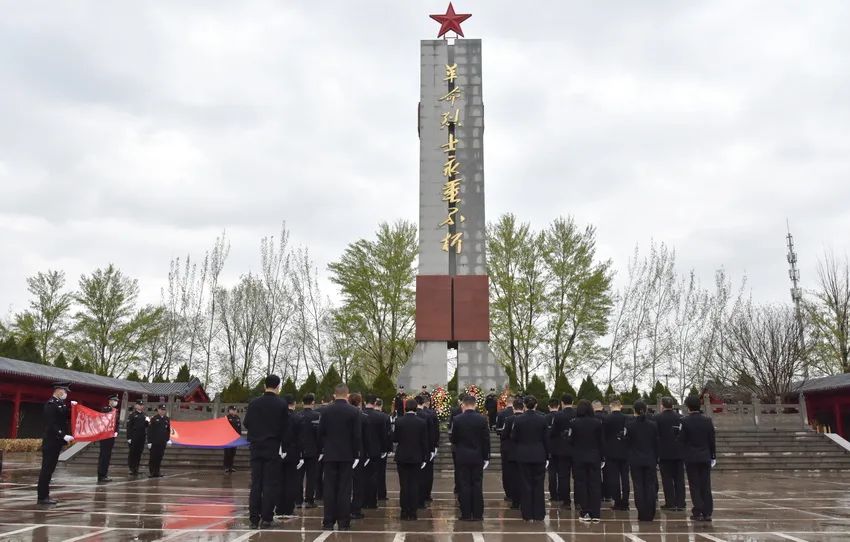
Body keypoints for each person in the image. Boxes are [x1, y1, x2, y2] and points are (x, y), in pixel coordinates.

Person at [244, 374, 288, 530]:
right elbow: (285, 427)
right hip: (272, 446)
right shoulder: (281, 404)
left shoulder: (254, 403)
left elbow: (247, 422)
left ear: (264, 386)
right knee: (270, 483)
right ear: (278, 387)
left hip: (256, 446)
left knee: (256, 483)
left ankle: (253, 518)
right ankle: (267, 518)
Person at [318, 383, 362, 531]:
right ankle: (343, 522)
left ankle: (328, 521)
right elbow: (357, 435)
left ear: (334, 394)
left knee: (329, 488)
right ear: (347, 395)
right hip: (346, 454)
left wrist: (323, 449)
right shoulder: (354, 411)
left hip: (330, 453)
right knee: (345, 488)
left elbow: (320, 432)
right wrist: (356, 453)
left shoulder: (326, 410)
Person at [451, 394, 489, 521]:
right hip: (477, 456)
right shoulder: (482, 419)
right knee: (477, 484)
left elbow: (454, 439)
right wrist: (486, 457)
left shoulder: (457, 419)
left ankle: (466, 513)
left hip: (462, 456)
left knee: (464, 484)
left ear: (463, 404)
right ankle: (477, 514)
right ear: (475, 404)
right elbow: (486, 440)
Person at [512, 395, 549, 521]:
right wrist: (547, 455)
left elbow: (514, 437)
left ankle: (527, 513)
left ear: (524, 405)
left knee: (525, 484)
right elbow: (546, 439)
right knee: (539, 485)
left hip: (523, 455)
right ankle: (539, 513)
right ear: (536, 405)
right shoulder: (542, 419)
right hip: (539, 454)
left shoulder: (518, 420)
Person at [680, 394, 716, 522]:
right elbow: (712, 440)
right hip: (705, 456)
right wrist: (713, 455)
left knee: (694, 485)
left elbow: (682, 440)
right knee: (706, 484)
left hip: (691, 457)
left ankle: (698, 510)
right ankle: (707, 512)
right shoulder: (707, 421)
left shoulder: (684, 421)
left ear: (688, 407)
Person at [37, 382, 74, 505]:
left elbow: (65, 418)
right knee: (46, 470)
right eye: (65, 391)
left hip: (57, 442)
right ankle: (42, 497)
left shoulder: (61, 404)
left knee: (50, 469)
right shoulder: (51, 404)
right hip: (51, 441)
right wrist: (63, 435)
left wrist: (74, 409)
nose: (66, 394)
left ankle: (45, 495)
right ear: (58, 390)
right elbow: (51, 424)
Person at [394, 398, 429, 521]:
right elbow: (424, 441)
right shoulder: (421, 422)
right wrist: (425, 457)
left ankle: (404, 512)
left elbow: (395, 438)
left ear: (405, 408)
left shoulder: (399, 421)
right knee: (414, 485)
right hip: (416, 456)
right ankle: (413, 512)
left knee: (404, 485)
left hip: (402, 456)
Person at [624, 400, 659, 521]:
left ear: (634, 410)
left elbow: (627, 443)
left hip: (635, 459)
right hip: (650, 458)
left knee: (638, 486)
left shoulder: (630, 425)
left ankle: (642, 512)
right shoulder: (653, 425)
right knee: (650, 486)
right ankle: (650, 512)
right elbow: (656, 443)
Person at [570, 399, 604, 523]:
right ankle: (596, 513)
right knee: (595, 484)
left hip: (579, 457)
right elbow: (601, 441)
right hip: (594, 456)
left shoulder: (574, 423)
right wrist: (602, 457)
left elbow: (571, 440)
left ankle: (585, 512)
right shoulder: (597, 423)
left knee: (581, 484)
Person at [656, 396, 686, 511]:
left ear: (662, 405)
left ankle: (670, 502)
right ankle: (681, 502)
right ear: (672, 405)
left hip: (664, 453)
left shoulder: (657, 418)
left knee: (667, 479)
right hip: (679, 452)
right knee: (679, 479)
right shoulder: (680, 417)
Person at [363, 394, 391, 510]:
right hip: (375, 450)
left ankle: (362, 501)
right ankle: (372, 501)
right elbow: (384, 435)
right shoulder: (381, 417)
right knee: (374, 476)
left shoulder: (359, 414)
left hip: (362, 450)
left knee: (362, 477)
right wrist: (384, 449)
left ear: (365, 402)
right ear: (375, 403)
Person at [549, 394, 576, 508]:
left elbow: (553, 432)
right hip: (575, 449)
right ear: (572, 402)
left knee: (563, 476)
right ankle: (578, 501)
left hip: (562, 449)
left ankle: (566, 501)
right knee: (577, 477)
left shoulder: (558, 415)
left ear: (562, 403)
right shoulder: (577, 414)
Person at [603, 398, 630, 511]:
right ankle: (626, 501)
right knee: (625, 477)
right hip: (625, 451)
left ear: (610, 406)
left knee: (614, 478)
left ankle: (617, 501)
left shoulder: (606, 419)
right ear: (621, 406)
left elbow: (604, 436)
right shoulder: (627, 418)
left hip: (611, 452)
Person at [276, 394, 300, 519]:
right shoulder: (297, 418)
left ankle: (279, 507)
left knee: (279, 480)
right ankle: (289, 509)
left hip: (279, 451)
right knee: (291, 481)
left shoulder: (277, 417)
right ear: (294, 404)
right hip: (292, 452)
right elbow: (300, 437)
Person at [295, 393, 320, 508]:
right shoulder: (317, 416)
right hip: (313, 450)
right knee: (311, 476)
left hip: (299, 450)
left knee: (298, 476)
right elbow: (319, 434)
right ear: (313, 402)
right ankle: (310, 500)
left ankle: (298, 500)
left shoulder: (297, 415)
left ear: (302, 402)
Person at [349, 392, 369, 520]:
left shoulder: (346, 415)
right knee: (358, 482)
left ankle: (345, 507)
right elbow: (366, 438)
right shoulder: (363, 417)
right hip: (359, 452)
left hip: (346, 451)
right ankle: (356, 509)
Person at [415, 394, 438, 507]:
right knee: (427, 473)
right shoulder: (430, 414)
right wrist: (434, 446)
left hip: (415, 448)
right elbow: (434, 432)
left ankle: (417, 496)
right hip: (427, 447)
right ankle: (426, 494)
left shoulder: (413, 415)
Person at [502, 398, 524, 509]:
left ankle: (514, 499)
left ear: (513, 408)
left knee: (512, 476)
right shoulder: (525, 418)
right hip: (524, 451)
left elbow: (504, 435)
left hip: (511, 451)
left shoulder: (509, 419)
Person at [495, 396, 516, 502]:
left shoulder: (501, 414)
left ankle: (509, 493)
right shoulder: (520, 413)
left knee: (507, 471)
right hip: (518, 446)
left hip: (506, 446)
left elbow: (497, 429)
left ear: (506, 402)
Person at [97, 394, 120, 483]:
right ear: (110, 401)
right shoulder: (106, 409)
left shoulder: (115, 410)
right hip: (105, 436)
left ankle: (104, 474)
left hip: (111, 436)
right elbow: (104, 420)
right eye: (114, 400)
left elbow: (116, 423)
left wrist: (116, 431)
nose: (116, 402)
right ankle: (101, 474)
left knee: (107, 455)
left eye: (116, 401)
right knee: (104, 455)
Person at [592, 400, 610, 503]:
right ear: (602, 407)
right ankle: (607, 494)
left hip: (595, 448)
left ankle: (598, 494)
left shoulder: (592, 419)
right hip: (607, 448)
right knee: (607, 473)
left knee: (596, 473)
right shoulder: (607, 417)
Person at [147, 404, 171, 478]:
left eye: (164, 410)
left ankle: (157, 472)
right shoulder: (154, 418)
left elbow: (168, 430)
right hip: (154, 442)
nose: (163, 411)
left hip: (162, 442)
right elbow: (150, 431)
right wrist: (149, 441)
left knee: (159, 457)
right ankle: (152, 472)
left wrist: (168, 439)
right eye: (161, 410)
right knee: (153, 457)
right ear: (158, 410)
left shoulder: (167, 419)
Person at [126, 400, 149, 476]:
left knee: (139, 453)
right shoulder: (132, 415)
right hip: (134, 436)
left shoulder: (144, 415)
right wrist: (129, 437)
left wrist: (148, 422)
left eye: (142, 405)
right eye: (139, 405)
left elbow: (146, 426)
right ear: (136, 406)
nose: (141, 406)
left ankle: (136, 468)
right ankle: (131, 468)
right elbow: (129, 427)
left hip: (141, 436)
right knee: (132, 453)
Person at [544, 397, 560, 502]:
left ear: (548, 406)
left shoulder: (545, 418)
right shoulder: (562, 416)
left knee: (552, 473)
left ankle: (553, 494)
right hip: (561, 448)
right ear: (558, 406)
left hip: (550, 448)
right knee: (562, 473)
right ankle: (562, 493)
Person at [374, 397, 389, 501]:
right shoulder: (385, 417)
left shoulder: (366, 415)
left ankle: (371, 493)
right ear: (381, 405)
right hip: (381, 448)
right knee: (381, 472)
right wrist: (386, 448)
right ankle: (381, 494)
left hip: (370, 448)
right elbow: (387, 434)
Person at [224, 405, 242, 473]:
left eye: (235, 410)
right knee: (227, 453)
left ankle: (231, 466)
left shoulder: (237, 418)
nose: (234, 411)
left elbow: (239, 428)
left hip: (235, 438)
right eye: (232, 410)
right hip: (228, 438)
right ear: (229, 410)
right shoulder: (227, 417)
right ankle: (226, 467)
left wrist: (239, 436)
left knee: (233, 453)